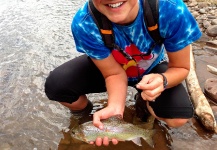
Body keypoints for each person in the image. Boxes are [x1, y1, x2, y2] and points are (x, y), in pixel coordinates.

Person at [45, 0, 202, 147]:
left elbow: (181, 68)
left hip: (151, 70)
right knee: (57, 86)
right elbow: (113, 74)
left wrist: (163, 79)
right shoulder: (84, 23)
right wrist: (115, 106)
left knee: (178, 117)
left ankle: (144, 106)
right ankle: (82, 114)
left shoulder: (171, 9)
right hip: (109, 69)